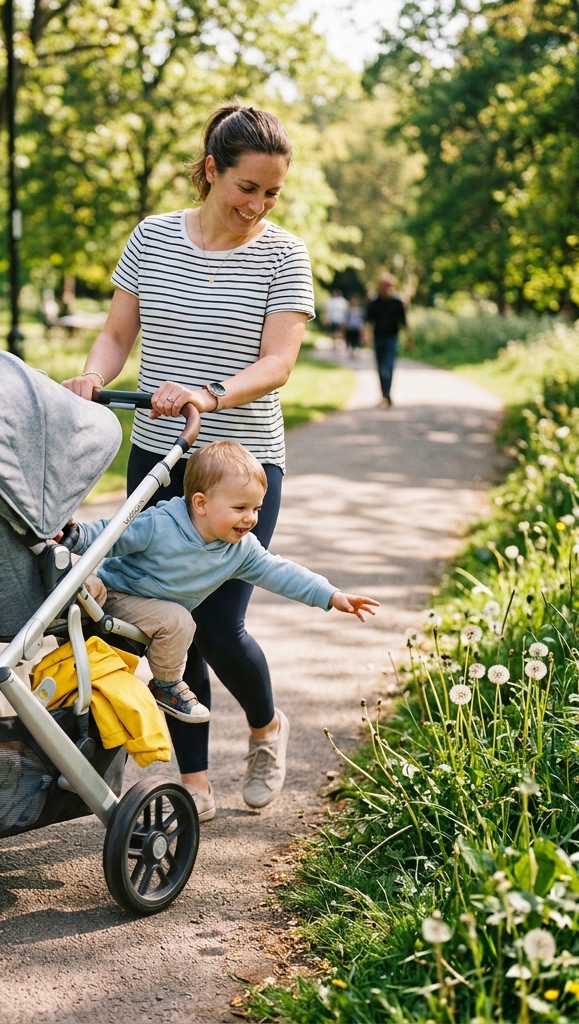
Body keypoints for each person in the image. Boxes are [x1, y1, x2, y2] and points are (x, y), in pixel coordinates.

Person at [63, 103, 316, 820]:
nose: (258, 206)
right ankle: (195, 779)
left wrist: (209, 392)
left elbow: (279, 362)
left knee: (218, 621)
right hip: (161, 455)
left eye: (272, 194)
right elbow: (117, 333)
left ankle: (266, 727)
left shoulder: (283, 254)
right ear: (212, 170)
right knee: (164, 618)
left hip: (245, 461)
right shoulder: (152, 237)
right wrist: (90, 375)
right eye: (247, 188)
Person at [70, 443, 378, 736]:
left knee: (178, 620)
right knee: (85, 584)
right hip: (114, 593)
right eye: (240, 507)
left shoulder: (239, 551)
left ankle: (166, 685)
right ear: (201, 503)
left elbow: (280, 572)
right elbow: (111, 535)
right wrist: (75, 535)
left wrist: (330, 594)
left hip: (156, 617)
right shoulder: (160, 524)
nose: (251, 518)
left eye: (256, 508)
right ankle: (58, 601)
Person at [366, 273, 408, 407]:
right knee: (380, 367)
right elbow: (368, 321)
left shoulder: (397, 302)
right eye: (384, 285)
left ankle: (386, 395)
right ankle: (384, 395)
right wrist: (366, 335)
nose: (386, 287)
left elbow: (404, 322)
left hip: (392, 338)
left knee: (388, 366)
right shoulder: (374, 302)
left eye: (389, 285)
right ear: (380, 286)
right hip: (378, 338)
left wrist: (409, 339)